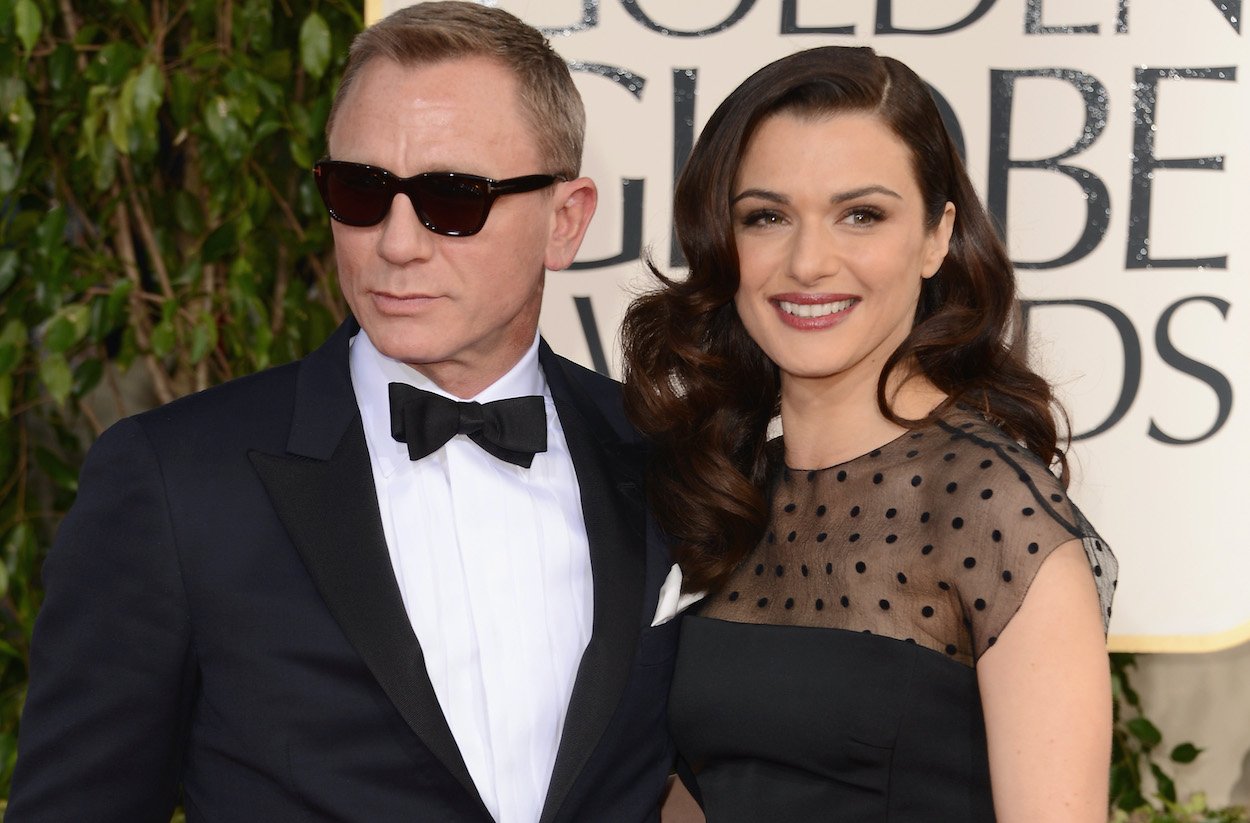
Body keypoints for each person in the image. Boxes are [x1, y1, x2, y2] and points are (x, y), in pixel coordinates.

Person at [8, 4, 679, 821]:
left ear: (565, 220)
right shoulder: (174, 481)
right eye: (360, 190)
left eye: (452, 198)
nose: (395, 243)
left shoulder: (670, 462)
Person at [621, 46, 1118, 823]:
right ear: (725, 241)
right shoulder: (722, 487)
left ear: (936, 237)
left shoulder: (994, 511)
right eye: (767, 216)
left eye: (862, 214)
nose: (809, 261)